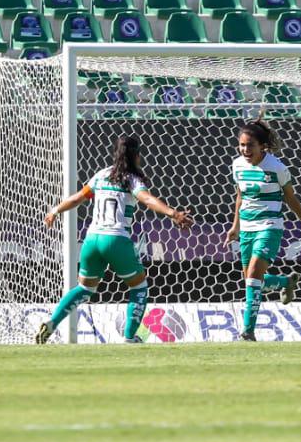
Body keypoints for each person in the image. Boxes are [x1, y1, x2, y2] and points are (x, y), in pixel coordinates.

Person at [36, 135, 193, 344]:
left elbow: (78, 197)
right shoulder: (132, 180)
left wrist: (55, 210)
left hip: (92, 240)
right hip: (116, 239)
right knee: (139, 288)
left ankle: (52, 322)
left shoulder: (101, 175)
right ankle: (129, 337)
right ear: (137, 156)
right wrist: (173, 213)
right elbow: (147, 199)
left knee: (84, 288)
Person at [226, 119, 301, 341]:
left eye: (250, 145)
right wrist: (235, 226)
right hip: (247, 227)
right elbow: (240, 196)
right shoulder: (237, 165)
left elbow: (290, 197)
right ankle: (285, 282)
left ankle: (247, 331)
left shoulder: (277, 168)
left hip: (269, 226)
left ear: (262, 146)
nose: (245, 150)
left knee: (254, 274)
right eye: (242, 145)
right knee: (251, 280)